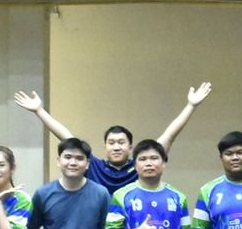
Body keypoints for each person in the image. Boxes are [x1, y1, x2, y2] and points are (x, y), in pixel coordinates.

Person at [16, 82, 212, 198]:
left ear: (130, 147)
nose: (116, 147)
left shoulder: (140, 165)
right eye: (111, 143)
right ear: (105, 147)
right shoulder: (94, 166)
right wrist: (39, 111)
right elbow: (66, 136)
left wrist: (191, 105)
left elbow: (169, 136)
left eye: (121, 143)